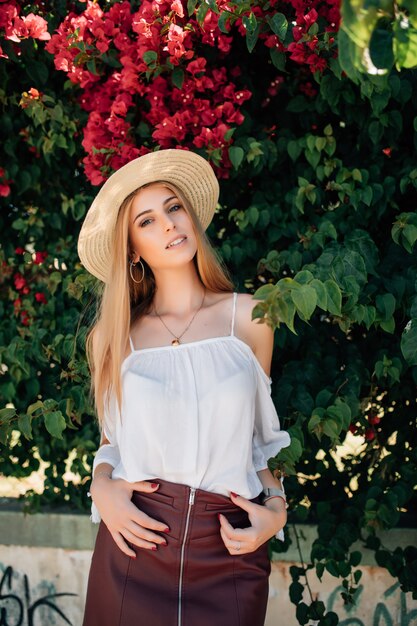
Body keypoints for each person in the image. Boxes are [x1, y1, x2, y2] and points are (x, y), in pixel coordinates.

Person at [78, 148, 291, 626]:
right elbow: (113, 443)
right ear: (131, 248)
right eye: (147, 221)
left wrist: (276, 511)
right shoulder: (112, 339)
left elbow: (258, 447)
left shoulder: (252, 318)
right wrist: (101, 487)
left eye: (174, 208)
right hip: (137, 540)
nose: (170, 225)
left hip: (229, 548)